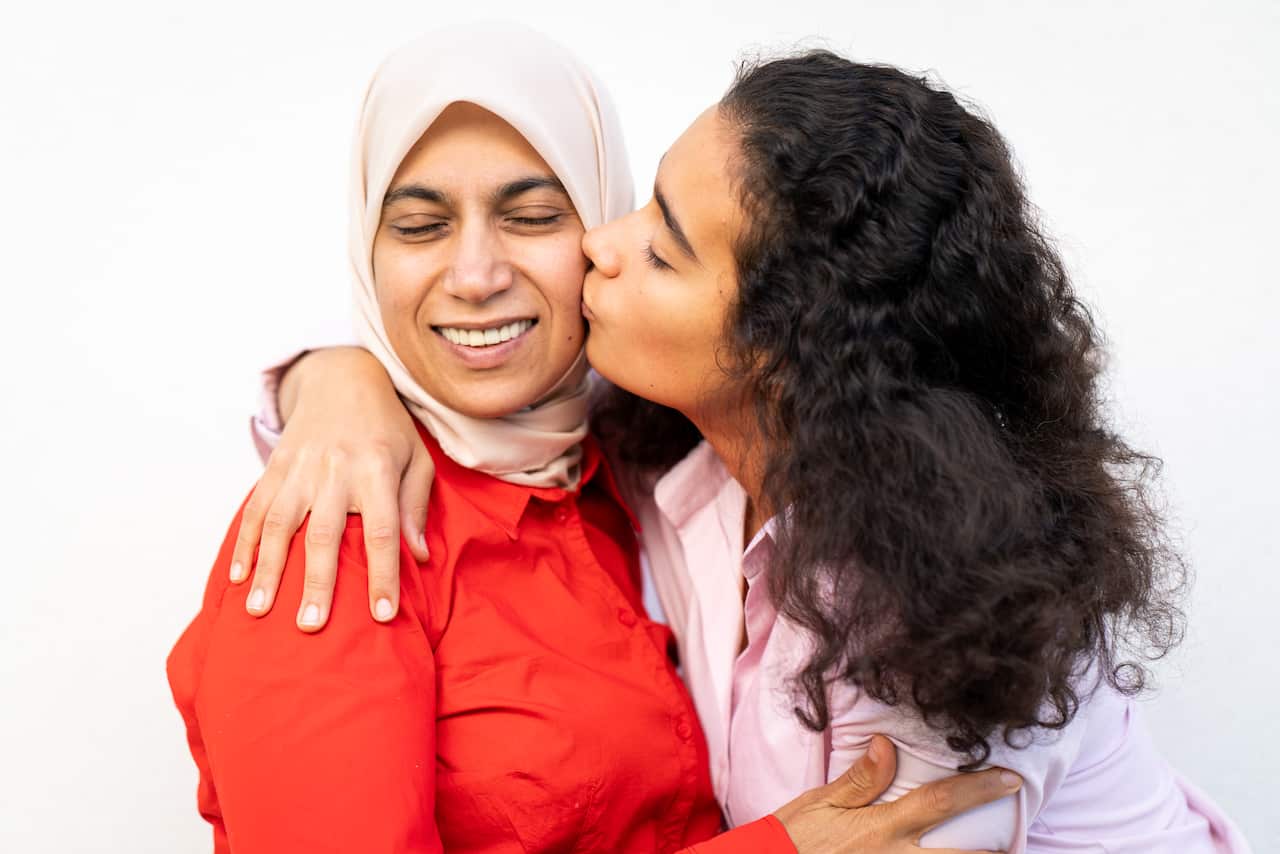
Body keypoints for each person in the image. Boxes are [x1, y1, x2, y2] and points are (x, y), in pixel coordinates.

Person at [232, 47, 1253, 853]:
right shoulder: (652, 451)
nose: (601, 244)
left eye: (660, 246)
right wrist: (339, 382)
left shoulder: (942, 611)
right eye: (638, 204)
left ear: (781, 345)